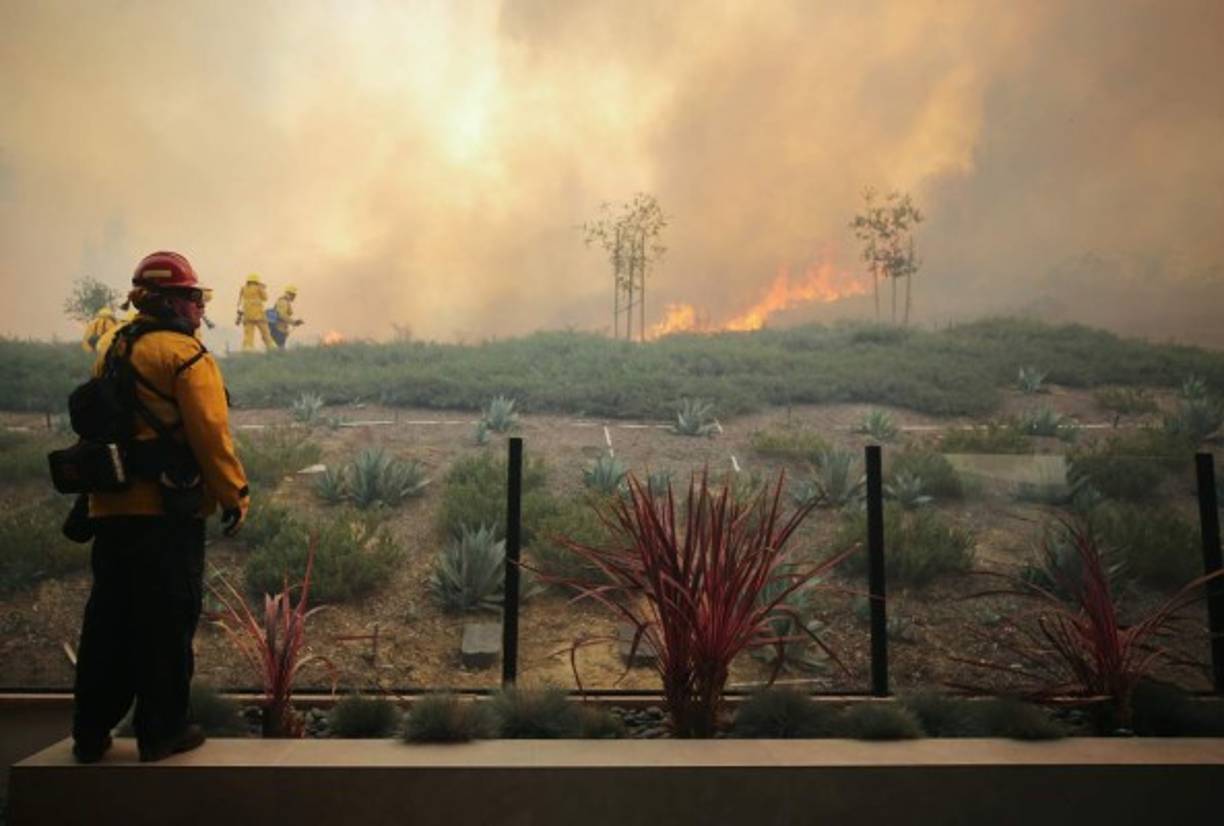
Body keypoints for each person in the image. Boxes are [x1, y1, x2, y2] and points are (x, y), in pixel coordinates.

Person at [71, 250, 250, 764]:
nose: (199, 309)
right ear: (172, 301)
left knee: (108, 622)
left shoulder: (112, 348)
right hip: (167, 517)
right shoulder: (186, 356)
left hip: (109, 510)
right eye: (194, 298)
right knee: (166, 623)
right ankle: (162, 732)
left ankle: (90, 732)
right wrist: (235, 495)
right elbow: (211, 437)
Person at [236, 273, 272, 351]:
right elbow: (265, 298)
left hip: (247, 315)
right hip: (259, 315)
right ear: (257, 281)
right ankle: (271, 349)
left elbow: (239, 302)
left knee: (248, 335)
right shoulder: (258, 288)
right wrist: (262, 288)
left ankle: (247, 351)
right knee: (265, 333)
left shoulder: (243, 288)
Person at [268, 284, 304, 349]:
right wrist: (294, 322)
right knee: (280, 348)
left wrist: (294, 322)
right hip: (278, 329)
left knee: (279, 348)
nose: (294, 297)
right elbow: (282, 315)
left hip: (280, 329)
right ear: (290, 294)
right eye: (294, 295)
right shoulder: (283, 301)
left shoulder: (285, 302)